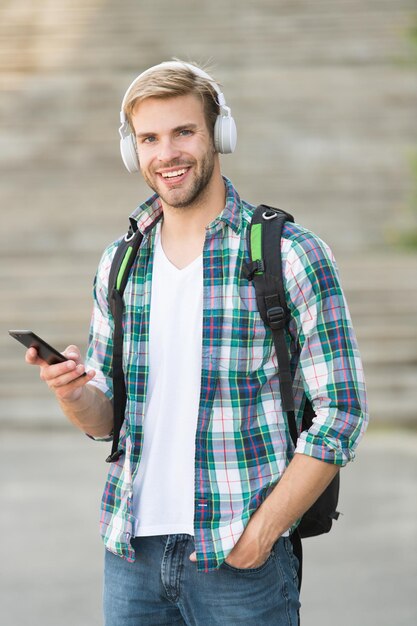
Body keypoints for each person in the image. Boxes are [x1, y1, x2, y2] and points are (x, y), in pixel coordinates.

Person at [26, 60, 368, 625]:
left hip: (240, 558)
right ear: (132, 150)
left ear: (218, 135)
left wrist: (260, 536)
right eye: (150, 139)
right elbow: (106, 420)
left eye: (184, 132)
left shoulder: (290, 254)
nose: (167, 154)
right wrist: (72, 394)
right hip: (131, 553)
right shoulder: (121, 261)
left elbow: (342, 414)